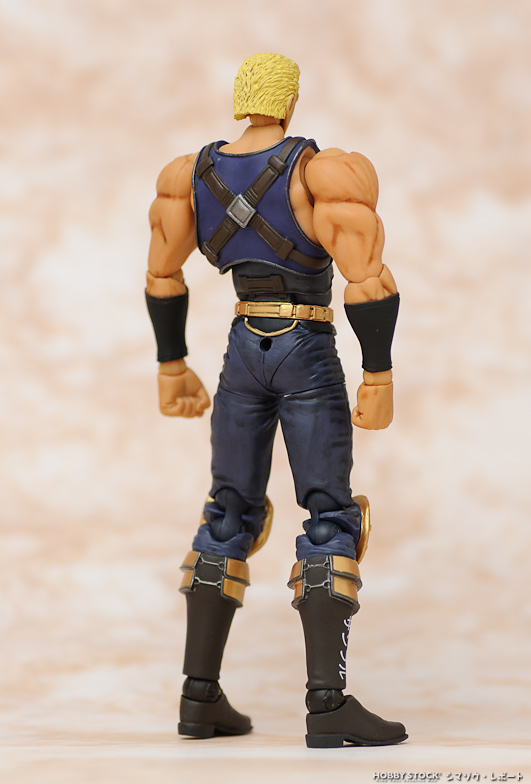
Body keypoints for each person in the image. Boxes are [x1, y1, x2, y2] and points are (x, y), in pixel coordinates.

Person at [146, 53, 406, 748]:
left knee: (228, 512)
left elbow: (162, 273)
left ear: (240, 99)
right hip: (305, 344)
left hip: (241, 347)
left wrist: (172, 365)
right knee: (329, 516)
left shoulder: (188, 174)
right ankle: (327, 706)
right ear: (289, 102)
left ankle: (199, 697)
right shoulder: (322, 172)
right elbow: (367, 278)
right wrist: (378, 374)